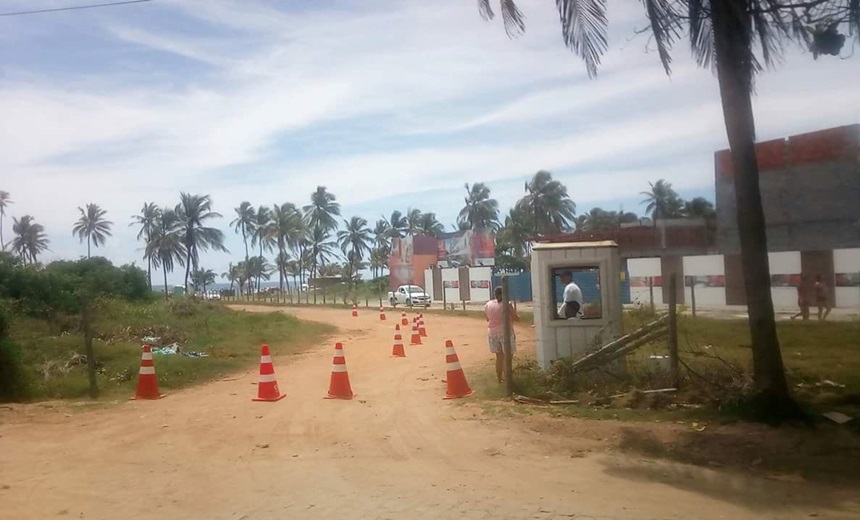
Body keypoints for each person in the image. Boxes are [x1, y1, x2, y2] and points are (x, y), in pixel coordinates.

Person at [484, 286, 519, 384]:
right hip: (505, 333)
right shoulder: (507, 304)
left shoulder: (488, 304)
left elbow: (488, 318)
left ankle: (500, 379)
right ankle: (508, 379)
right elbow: (516, 318)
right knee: (508, 357)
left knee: (499, 357)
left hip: (492, 333)